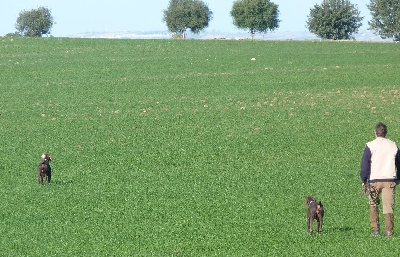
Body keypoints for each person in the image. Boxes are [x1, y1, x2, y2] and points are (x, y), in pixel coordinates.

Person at [360, 122, 400, 237]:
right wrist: (399, 178)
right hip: (389, 180)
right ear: (386, 133)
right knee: (388, 206)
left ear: (375, 133)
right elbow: (399, 163)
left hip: (374, 180)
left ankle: (375, 230)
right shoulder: (393, 145)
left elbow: (365, 165)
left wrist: (364, 180)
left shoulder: (370, 145)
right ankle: (389, 231)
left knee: (373, 204)